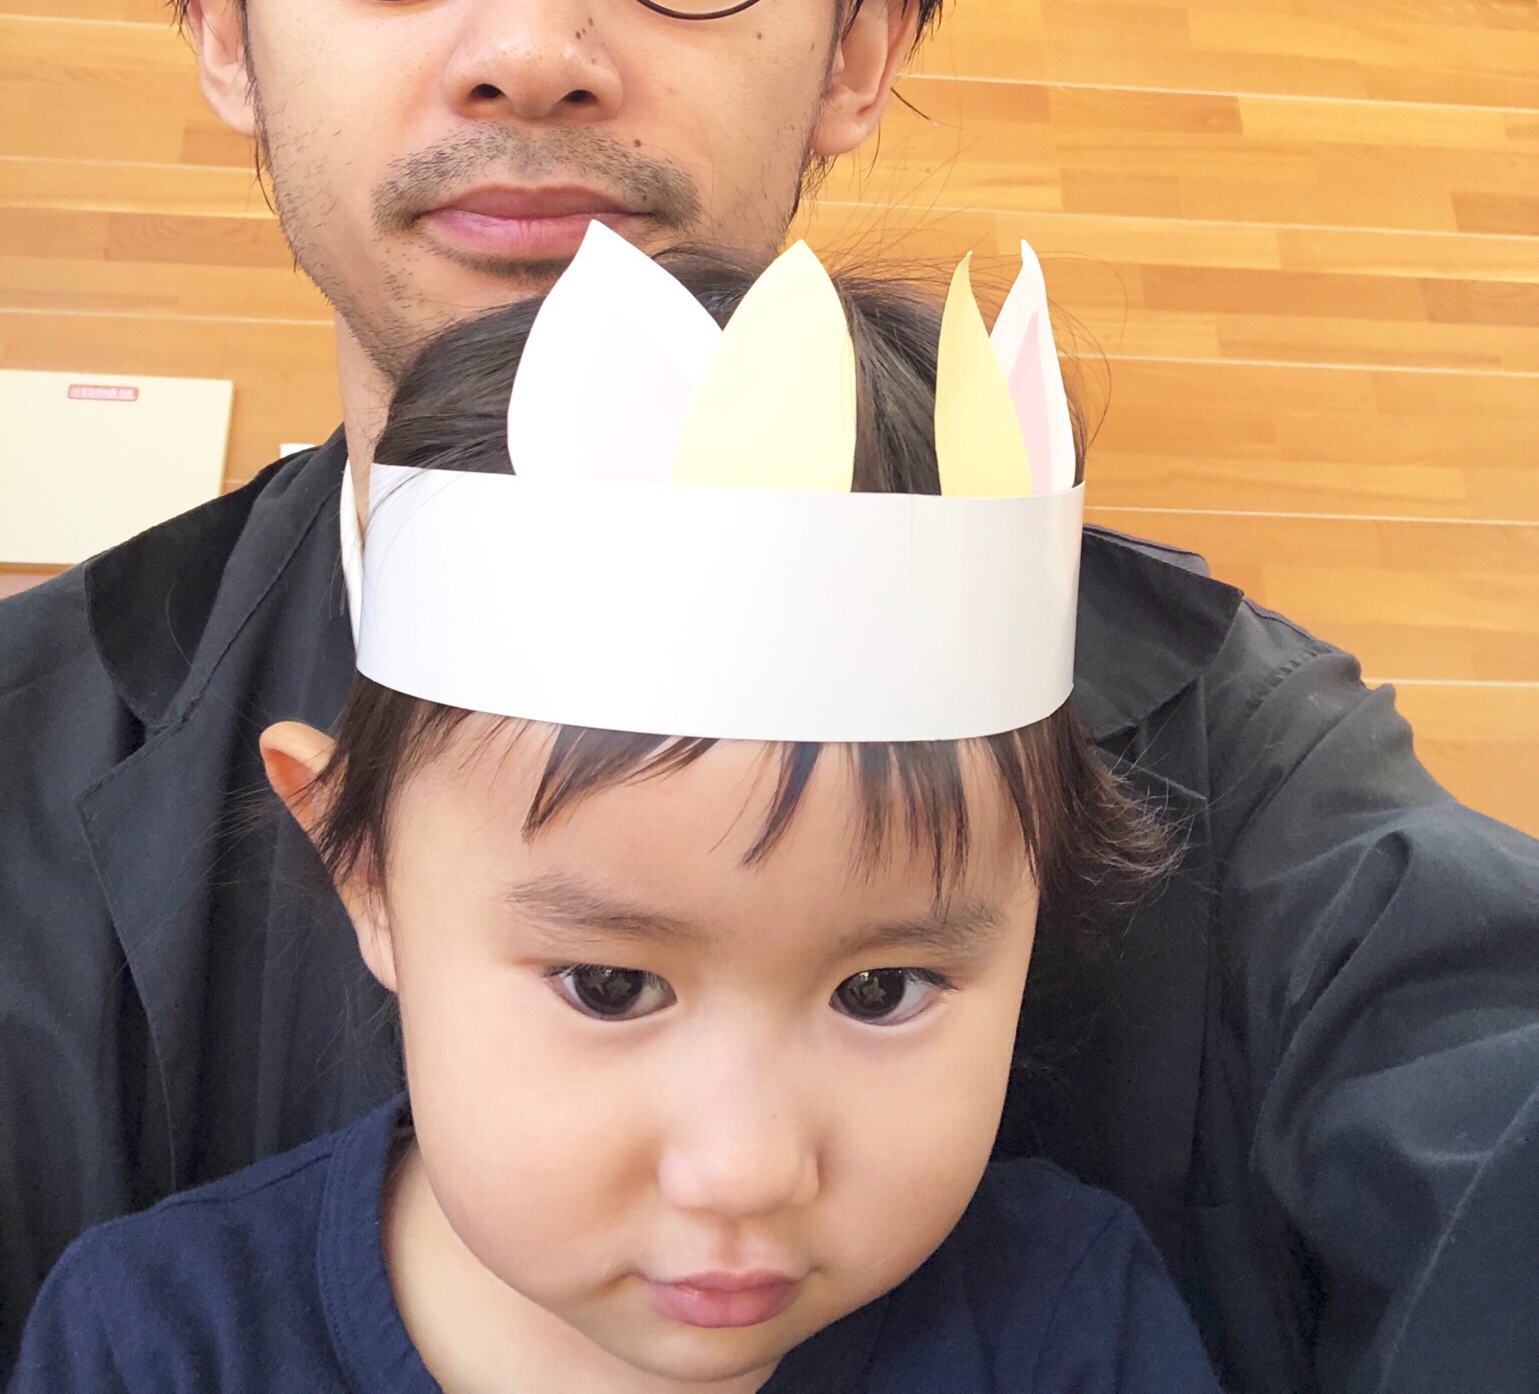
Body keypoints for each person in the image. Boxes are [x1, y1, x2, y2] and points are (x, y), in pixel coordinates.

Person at [1, 0, 1536, 1387]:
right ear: (218, 4)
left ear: (861, 37)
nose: (531, 39)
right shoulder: (25, 786)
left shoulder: (1242, 777)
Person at [11, 233, 1224, 1393]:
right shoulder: (153, 1343)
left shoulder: (1076, 1325)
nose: (744, 1168)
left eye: (880, 988)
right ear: (364, 869)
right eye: (610, 984)